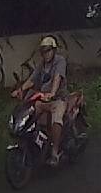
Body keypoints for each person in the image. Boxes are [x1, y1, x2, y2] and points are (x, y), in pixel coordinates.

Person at [11, 35, 69, 166]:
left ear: (53, 50)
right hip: (43, 99)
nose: (46, 54)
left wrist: (52, 93)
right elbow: (32, 80)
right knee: (29, 115)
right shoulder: (41, 65)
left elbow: (57, 77)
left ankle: (54, 152)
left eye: (48, 50)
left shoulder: (60, 61)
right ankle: (35, 144)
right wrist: (20, 90)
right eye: (43, 51)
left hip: (58, 99)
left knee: (56, 120)